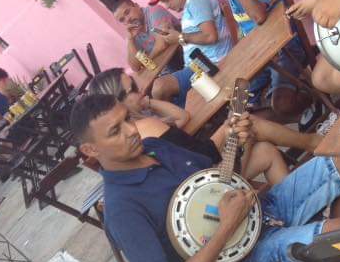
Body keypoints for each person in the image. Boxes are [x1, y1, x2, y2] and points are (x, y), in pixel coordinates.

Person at [70, 93, 340, 262]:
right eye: (115, 131)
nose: (131, 130)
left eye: (128, 118)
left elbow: (218, 179)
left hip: (259, 214)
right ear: (90, 150)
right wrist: (226, 226)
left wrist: (237, 141)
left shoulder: (154, 147)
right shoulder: (122, 209)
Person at [89, 68, 292, 185]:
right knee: (249, 126)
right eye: (133, 88)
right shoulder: (145, 127)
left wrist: (146, 101)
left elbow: (183, 117)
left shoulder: (138, 128)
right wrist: (226, 127)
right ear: (117, 102)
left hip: (195, 188)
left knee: (265, 151)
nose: (141, 87)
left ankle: (290, 208)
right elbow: (205, 155)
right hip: (211, 183)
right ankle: (309, 143)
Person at [189, 0, 318, 125]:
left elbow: (259, 16)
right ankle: (292, 113)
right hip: (262, 55)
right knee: (236, 111)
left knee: (281, 105)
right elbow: (246, 29)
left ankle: (312, 99)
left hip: (286, 46)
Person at [147, 0, 234, 107]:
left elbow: (210, 36)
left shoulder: (196, 2)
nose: (167, 6)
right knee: (167, 90)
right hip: (201, 64)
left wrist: (180, 37)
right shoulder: (191, 4)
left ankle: (186, 116)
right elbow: (197, 36)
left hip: (210, 64)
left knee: (159, 87)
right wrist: (177, 35)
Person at [113, 0, 183, 75]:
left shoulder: (154, 11)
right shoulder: (132, 33)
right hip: (165, 67)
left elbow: (162, 44)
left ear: (136, 6)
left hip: (183, 54)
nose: (127, 19)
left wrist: (146, 61)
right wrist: (130, 40)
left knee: (161, 82)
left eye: (127, 12)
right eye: (122, 20)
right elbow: (135, 67)